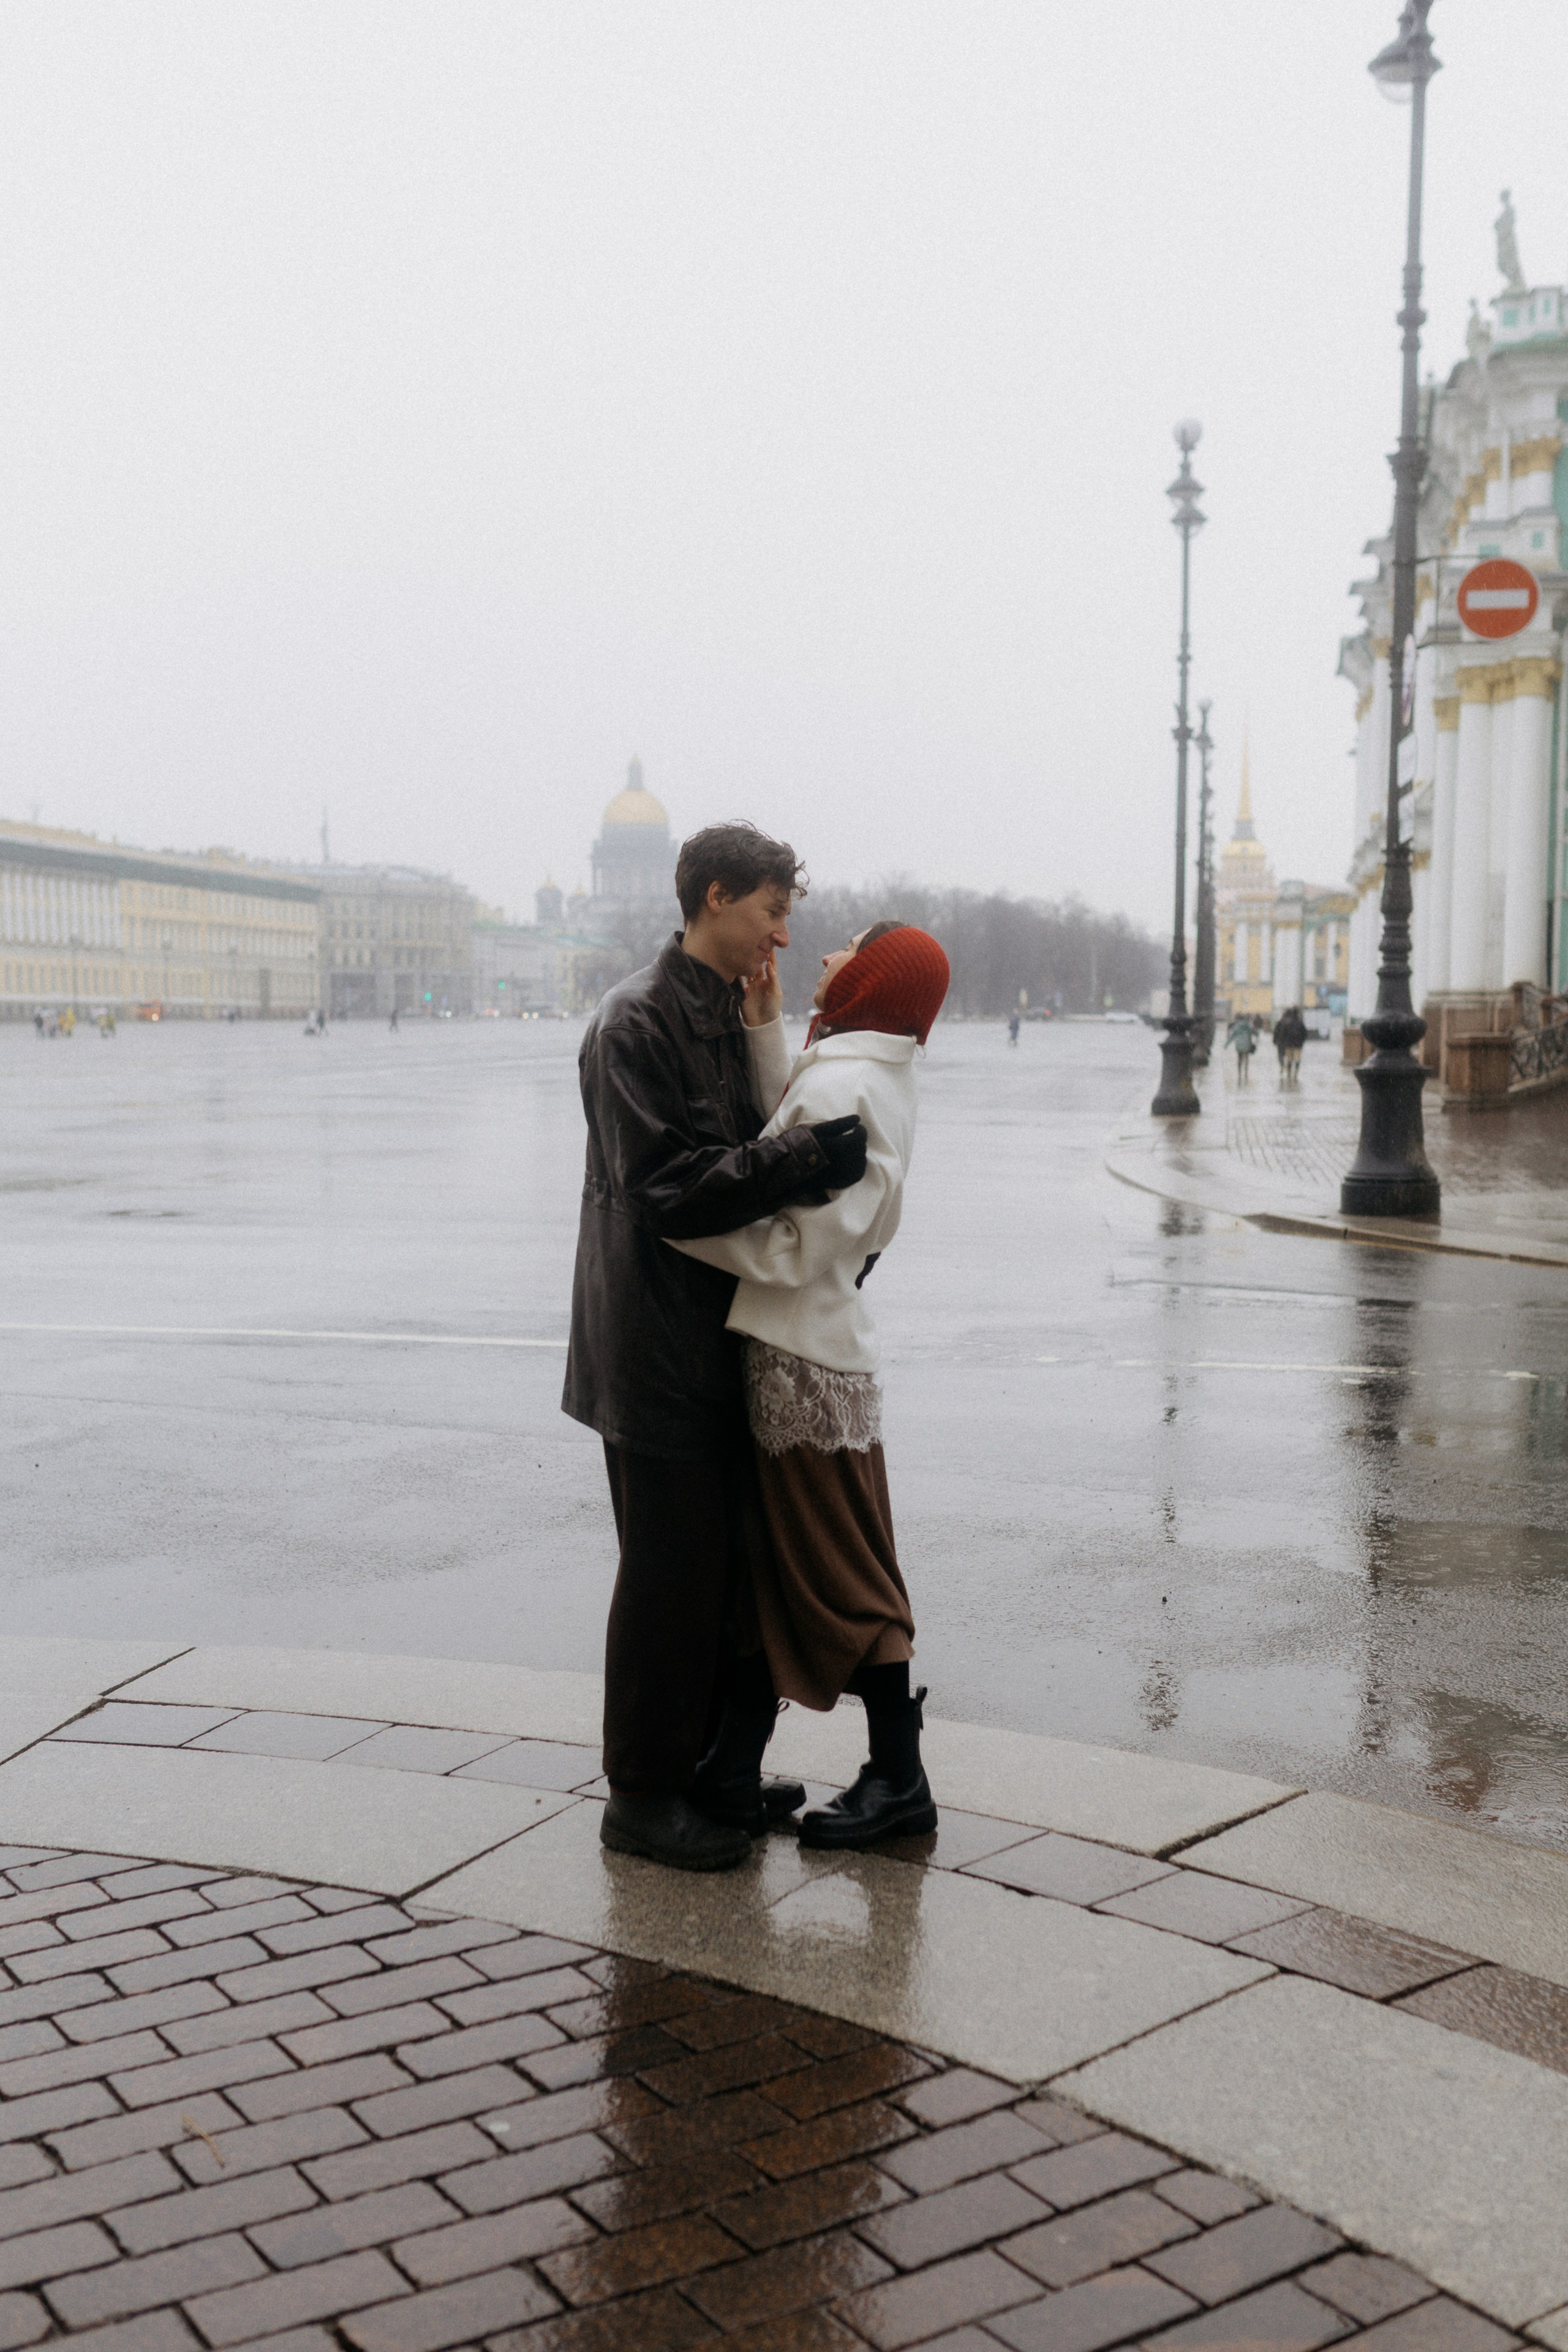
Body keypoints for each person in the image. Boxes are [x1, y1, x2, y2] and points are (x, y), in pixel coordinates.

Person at [564, 821, 870, 1873]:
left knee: (726, 1574)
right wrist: (793, 1161)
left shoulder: (726, 1013)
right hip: (652, 1349)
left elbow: (745, 1140)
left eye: (787, 916)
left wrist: (764, 1048)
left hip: (716, 1341)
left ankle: (706, 1773)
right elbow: (664, 1189)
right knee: (667, 1580)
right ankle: (641, 1798)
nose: (782, 937)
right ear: (713, 897)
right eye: (770, 912)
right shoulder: (633, 1025)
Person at [669, 920, 950, 1849]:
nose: (826, 956)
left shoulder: (847, 1083)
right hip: (822, 1346)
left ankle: (899, 1780)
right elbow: (787, 1142)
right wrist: (767, 1031)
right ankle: (733, 1766)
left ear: (871, 977)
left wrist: (671, 1222)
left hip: (803, 1354)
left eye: (847, 952)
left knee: (842, 1569)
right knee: (771, 1562)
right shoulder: (872, 1070)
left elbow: (791, 1239)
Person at [1273, 1005, 1307, 1084]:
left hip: (1288, 1045)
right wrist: (1302, 1042)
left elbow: (1282, 1034)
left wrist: (1279, 1041)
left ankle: (1289, 1073)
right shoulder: (1300, 1022)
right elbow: (1305, 1034)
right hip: (1298, 1045)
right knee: (1297, 1059)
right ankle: (1296, 1073)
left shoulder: (1286, 1022)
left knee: (1290, 1059)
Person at [1226, 1010, 1255, 1085]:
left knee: (1239, 1058)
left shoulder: (1237, 1026)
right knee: (1247, 1058)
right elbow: (1254, 1031)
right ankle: (1245, 1071)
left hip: (1239, 1044)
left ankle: (1239, 1072)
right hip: (1247, 1044)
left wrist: (1227, 1044)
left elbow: (1232, 1036)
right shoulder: (1248, 1025)